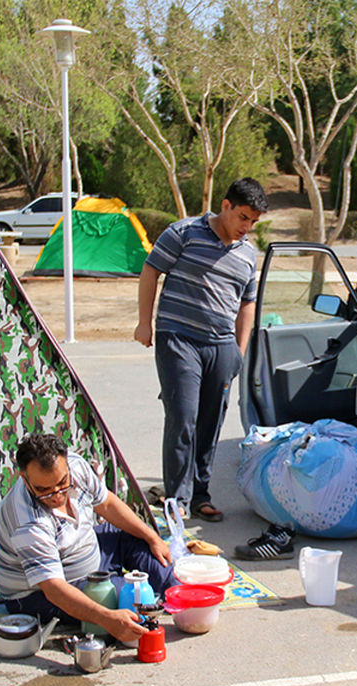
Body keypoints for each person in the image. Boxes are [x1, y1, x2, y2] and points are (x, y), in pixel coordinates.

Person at [136, 177, 267, 523]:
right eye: (242, 217)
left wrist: (239, 351)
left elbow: (247, 303)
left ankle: (199, 495)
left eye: (253, 222)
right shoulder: (184, 233)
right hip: (178, 339)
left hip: (221, 346)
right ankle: (177, 499)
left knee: (211, 421)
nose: (247, 227)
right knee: (183, 417)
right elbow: (150, 271)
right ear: (225, 206)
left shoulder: (247, 254)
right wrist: (144, 322)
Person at [0, 433, 177, 642]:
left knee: (154, 558)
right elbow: (54, 589)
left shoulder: (76, 466)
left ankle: (176, 595)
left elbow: (107, 504)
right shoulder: (27, 523)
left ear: (67, 465)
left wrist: (153, 538)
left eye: (62, 483)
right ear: (25, 479)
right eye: (44, 491)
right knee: (131, 598)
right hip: (44, 592)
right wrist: (106, 618)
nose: (57, 495)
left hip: (88, 551)